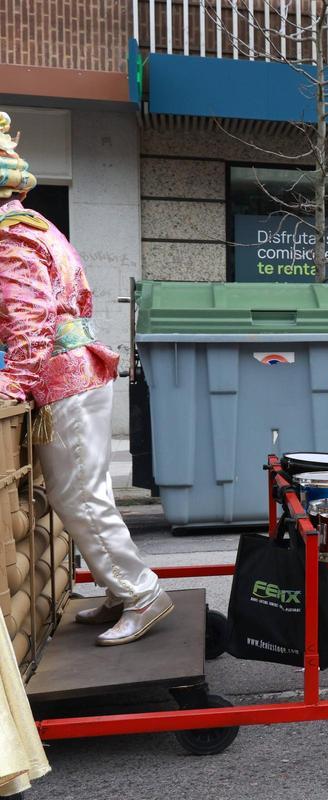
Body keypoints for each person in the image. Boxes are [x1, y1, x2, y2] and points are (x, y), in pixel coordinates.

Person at [0, 110, 171, 647]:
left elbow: (29, 327)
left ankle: (141, 593)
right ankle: (121, 588)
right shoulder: (35, 225)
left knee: (80, 497)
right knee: (87, 493)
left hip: (63, 380)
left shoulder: (9, 239)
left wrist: (10, 387)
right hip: (78, 373)